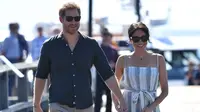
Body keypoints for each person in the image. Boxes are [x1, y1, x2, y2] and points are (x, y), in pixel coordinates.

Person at [33, 2, 127, 112]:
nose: (73, 22)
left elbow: (107, 74)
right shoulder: (49, 46)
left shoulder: (91, 45)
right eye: (69, 18)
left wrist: (121, 98)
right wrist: (36, 104)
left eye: (77, 18)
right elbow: (41, 76)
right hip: (59, 105)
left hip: (85, 106)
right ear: (61, 19)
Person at [112, 22, 168, 112]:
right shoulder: (123, 59)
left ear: (148, 38)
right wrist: (116, 104)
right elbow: (115, 86)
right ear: (130, 40)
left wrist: (151, 107)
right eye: (136, 39)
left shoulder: (159, 59)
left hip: (151, 109)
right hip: (128, 108)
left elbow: (165, 90)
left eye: (144, 38)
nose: (140, 41)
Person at [1, 23, 29, 96]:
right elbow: (4, 51)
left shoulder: (17, 38)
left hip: (16, 60)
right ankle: (9, 96)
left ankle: (12, 96)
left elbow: (3, 51)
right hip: (10, 60)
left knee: (13, 80)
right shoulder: (10, 38)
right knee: (10, 80)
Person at [94, 29, 119, 112]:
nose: (106, 38)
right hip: (99, 77)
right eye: (105, 36)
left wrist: (113, 65)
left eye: (108, 37)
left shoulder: (114, 50)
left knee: (110, 97)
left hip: (110, 77)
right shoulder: (97, 49)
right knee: (98, 97)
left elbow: (118, 64)